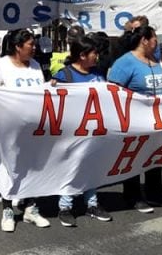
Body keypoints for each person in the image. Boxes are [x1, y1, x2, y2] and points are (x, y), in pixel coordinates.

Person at [0, 29, 50, 232]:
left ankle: (31, 208)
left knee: (33, 167)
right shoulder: (0, 66)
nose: (34, 47)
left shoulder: (36, 66)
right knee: (10, 168)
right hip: (9, 130)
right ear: (17, 46)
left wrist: (51, 87)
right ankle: (8, 210)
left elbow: (39, 93)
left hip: (34, 128)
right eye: (30, 44)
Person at [108, 25, 162, 213]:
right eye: (154, 38)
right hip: (135, 120)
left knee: (156, 157)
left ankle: (155, 194)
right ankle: (133, 197)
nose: (157, 42)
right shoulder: (125, 62)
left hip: (159, 120)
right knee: (134, 157)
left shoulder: (154, 60)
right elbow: (114, 91)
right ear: (144, 40)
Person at [52, 37, 112, 226]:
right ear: (82, 55)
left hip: (95, 131)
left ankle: (91, 204)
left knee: (92, 167)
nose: (97, 56)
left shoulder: (98, 73)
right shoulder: (65, 76)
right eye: (93, 53)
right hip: (72, 132)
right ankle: (65, 206)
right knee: (72, 167)